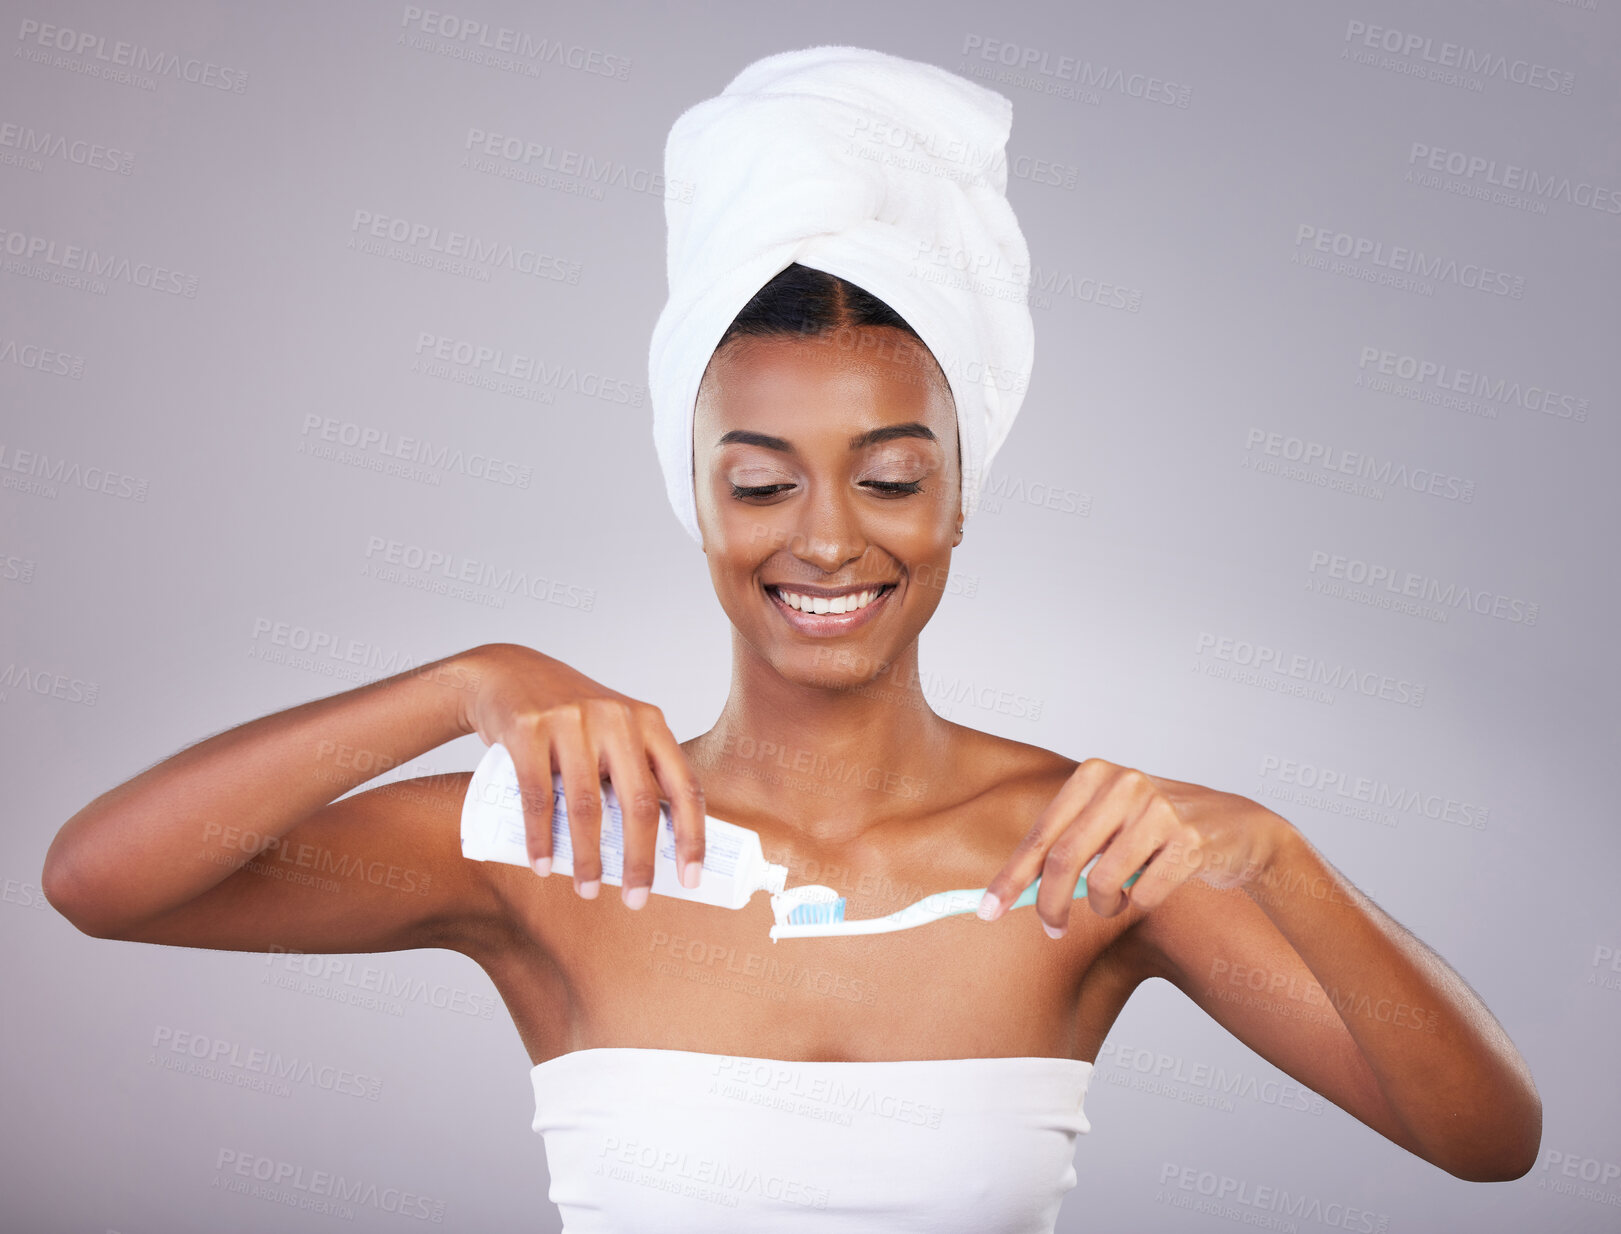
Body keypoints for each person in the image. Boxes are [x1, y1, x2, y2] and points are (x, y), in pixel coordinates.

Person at [41, 46, 1539, 1234]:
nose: (827, 537)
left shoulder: (1084, 852)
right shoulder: (555, 841)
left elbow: (1482, 1141)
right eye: (761, 482)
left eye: (891, 477)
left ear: (960, 498)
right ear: (694, 497)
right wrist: (461, 683)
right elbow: (99, 881)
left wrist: (1275, 853)